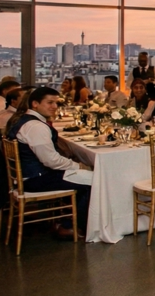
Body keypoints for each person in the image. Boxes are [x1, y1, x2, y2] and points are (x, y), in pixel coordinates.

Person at [5, 87, 91, 238]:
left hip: (27, 176)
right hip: (36, 179)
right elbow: (52, 161)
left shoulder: (25, 120)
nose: (54, 107)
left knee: (83, 175)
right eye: (50, 102)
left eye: (56, 103)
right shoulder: (36, 127)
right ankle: (69, 226)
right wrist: (79, 165)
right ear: (35, 104)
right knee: (94, 179)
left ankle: (63, 218)